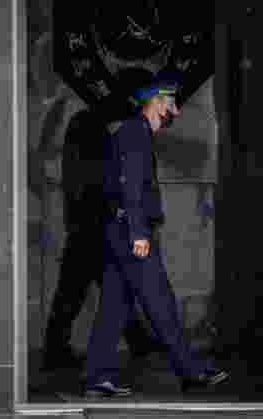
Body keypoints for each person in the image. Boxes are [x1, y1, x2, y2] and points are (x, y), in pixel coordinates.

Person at [82, 77, 229, 398]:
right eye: (170, 102)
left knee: (114, 307)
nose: (173, 110)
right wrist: (138, 231)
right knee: (160, 302)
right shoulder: (136, 133)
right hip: (130, 231)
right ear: (157, 102)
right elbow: (130, 183)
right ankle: (190, 372)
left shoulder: (134, 132)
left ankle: (97, 376)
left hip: (118, 230)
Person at [43, 107, 162, 370]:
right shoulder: (92, 127)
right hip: (91, 222)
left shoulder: (87, 124)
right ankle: (56, 348)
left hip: (88, 221)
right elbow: (95, 179)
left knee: (85, 287)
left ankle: (135, 338)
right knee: (79, 288)